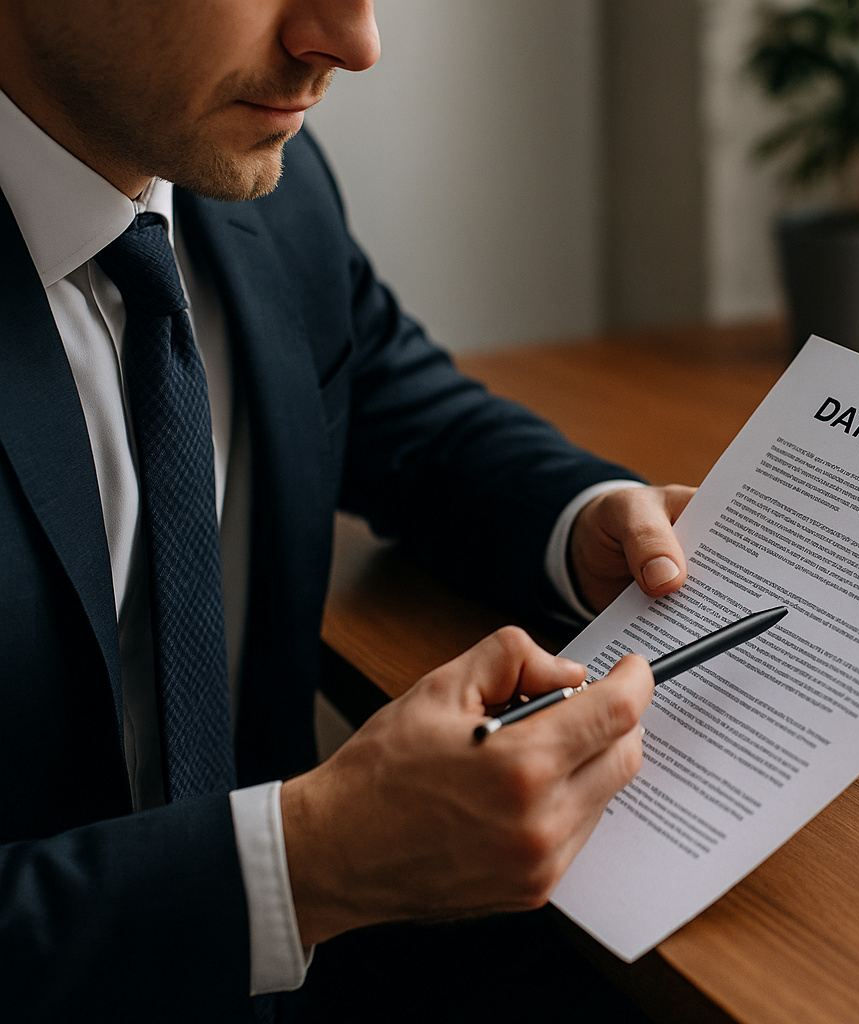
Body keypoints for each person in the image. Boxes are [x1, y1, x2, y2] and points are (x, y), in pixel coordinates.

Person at [0, 1, 690, 1018]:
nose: (354, 44)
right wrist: (307, 865)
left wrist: (579, 515)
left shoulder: (252, 171)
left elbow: (387, 389)